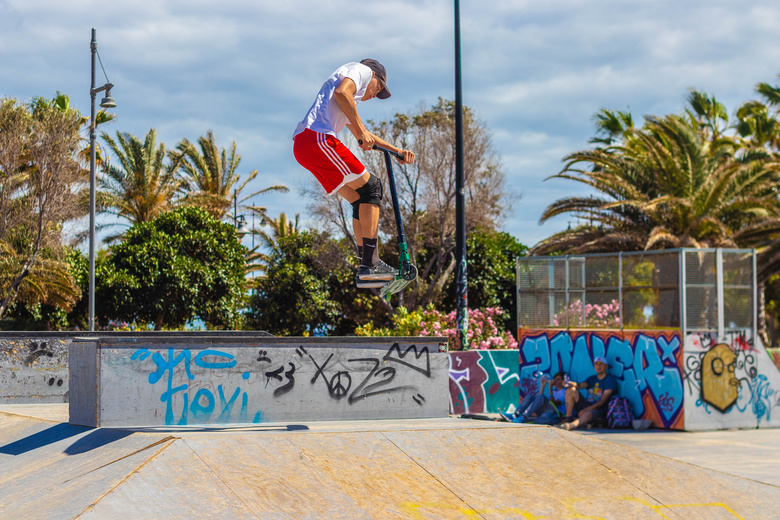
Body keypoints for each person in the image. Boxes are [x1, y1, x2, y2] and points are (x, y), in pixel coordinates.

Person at [292, 59, 415, 288]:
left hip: (305, 145)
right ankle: (371, 264)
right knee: (372, 187)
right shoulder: (361, 71)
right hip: (317, 138)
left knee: (361, 198)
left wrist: (397, 151)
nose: (373, 95)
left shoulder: (350, 103)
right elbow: (342, 93)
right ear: (373, 76)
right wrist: (360, 129)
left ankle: (366, 266)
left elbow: (364, 133)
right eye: (377, 89)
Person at [559, 356, 617, 431]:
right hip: (587, 404)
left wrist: (586, 410)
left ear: (606, 366)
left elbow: (602, 402)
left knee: (587, 414)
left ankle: (570, 425)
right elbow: (579, 386)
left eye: (601, 364)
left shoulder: (609, 380)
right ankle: (569, 418)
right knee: (571, 390)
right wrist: (570, 384)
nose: (598, 366)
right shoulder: (592, 378)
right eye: (596, 364)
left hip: (599, 409)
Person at [500, 371, 567, 423]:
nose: (556, 381)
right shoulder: (554, 391)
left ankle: (523, 417)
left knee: (542, 397)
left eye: (558, 379)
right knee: (530, 396)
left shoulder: (565, 392)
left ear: (563, 381)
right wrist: (542, 386)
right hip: (545, 412)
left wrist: (550, 388)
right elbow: (540, 401)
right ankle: (515, 415)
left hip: (555, 414)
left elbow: (554, 403)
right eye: (555, 379)